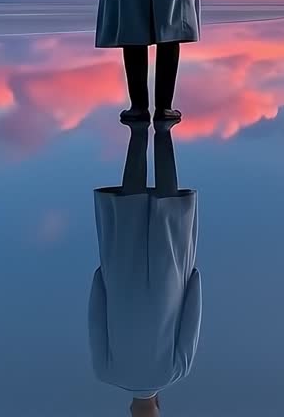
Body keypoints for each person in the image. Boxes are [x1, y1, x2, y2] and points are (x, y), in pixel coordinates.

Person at [89, 121, 201, 416]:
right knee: (129, 209)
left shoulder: (176, 371)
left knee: (169, 209)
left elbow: (192, 313)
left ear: (159, 406)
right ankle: (138, 130)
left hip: (169, 282)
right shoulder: (106, 371)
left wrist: (192, 280)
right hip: (122, 279)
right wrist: (104, 278)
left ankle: (164, 129)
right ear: (130, 410)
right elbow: (96, 315)